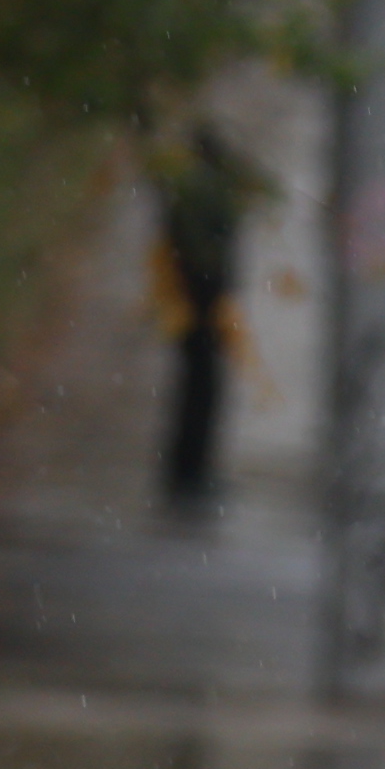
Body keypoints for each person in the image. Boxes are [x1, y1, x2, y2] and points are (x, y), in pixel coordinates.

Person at [146, 116, 264, 513]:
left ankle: (185, 471)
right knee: (205, 387)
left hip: (190, 293)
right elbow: (212, 243)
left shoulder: (188, 187)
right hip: (206, 293)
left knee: (195, 385)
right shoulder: (209, 189)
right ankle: (191, 475)